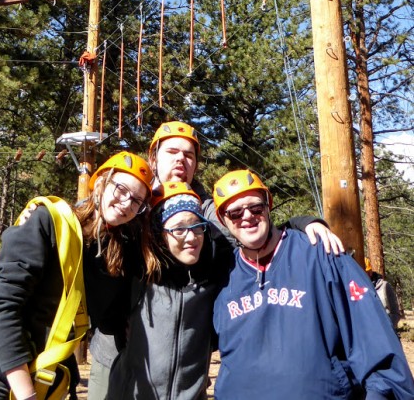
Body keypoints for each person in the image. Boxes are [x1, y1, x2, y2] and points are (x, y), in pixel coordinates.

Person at [88, 120, 345, 399]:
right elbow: (91, 215)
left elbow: (253, 228)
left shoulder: (208, 211)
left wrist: (302, 223)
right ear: (153, 158)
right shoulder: (133, 200)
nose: (181, 160)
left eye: (189, 155)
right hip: (116, 347)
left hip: (181, 360)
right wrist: (42, 210)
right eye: (172, 152)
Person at [0, 151, 155, 400]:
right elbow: (5, 309)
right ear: (101, 182)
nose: (127, 203)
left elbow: (113, 321)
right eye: (121, 189)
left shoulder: (119, 256)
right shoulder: (49, 220)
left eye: (137, 201)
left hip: (49, 375)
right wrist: (26, 393)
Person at [212, 169, 414, 399]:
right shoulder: (222, 275)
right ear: (223, 220)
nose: (247, 216)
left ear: (268, 206)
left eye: (255, 207)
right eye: (235, 213)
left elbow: (375, 342)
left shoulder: (322, 254)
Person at [107, 181, 231, 399]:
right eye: (179, 229)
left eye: (196, 226)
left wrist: (300, 223)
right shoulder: (138, 274)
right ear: (160, 235)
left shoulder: (214, 277)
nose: (191, 237)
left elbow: (258, 239)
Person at [365, 257, 402, 330]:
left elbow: (396, 313)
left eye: (366, 272)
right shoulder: (355, 289)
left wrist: (388, 328)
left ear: (370, 272)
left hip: (385, 333)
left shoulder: (384, 286)